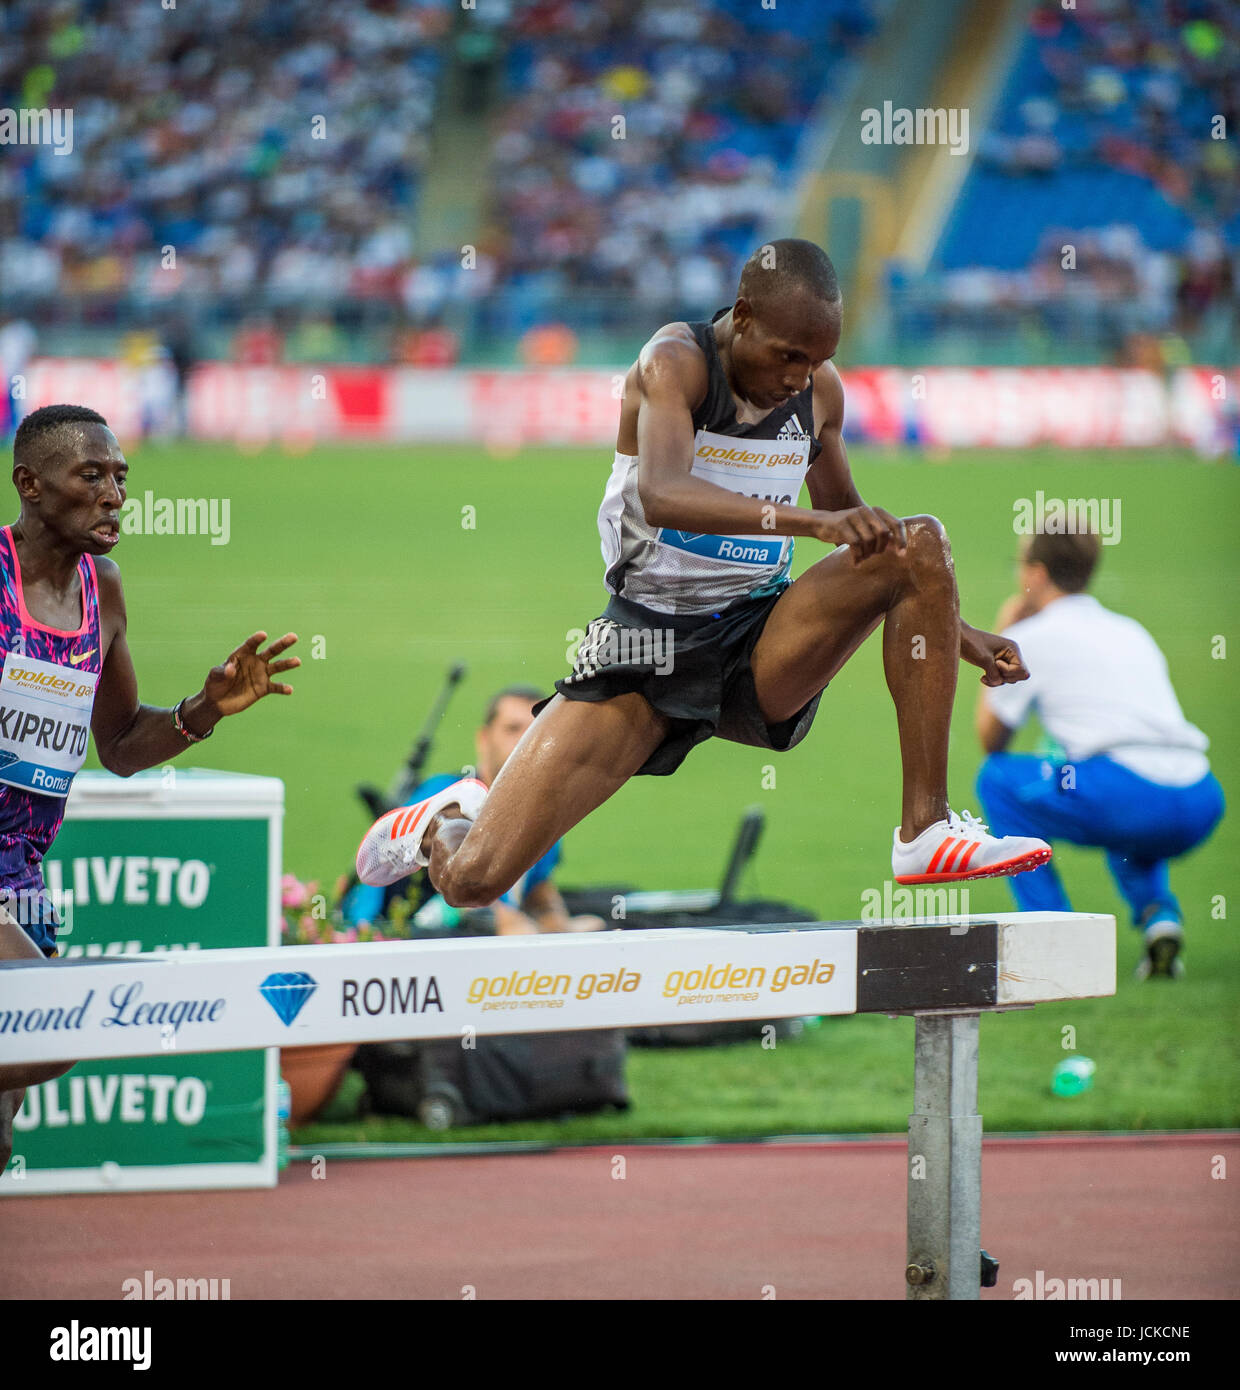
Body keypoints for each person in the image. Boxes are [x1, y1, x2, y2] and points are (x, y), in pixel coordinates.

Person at [357, 239, 1051, 912]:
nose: (800, 377)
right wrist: (809, 526)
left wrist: (958, 631)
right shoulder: (675, 363)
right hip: (643, 647)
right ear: (743, 316)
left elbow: (859, 532)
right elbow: (663, 493)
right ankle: (441, 819)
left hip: (757, 639)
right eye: (789, 355)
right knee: (476, 879)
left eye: (818, 360)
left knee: (917, 540)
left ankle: (923, 831)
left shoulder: (818, 394)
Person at [0, 403, 300, 1168]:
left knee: (2, 1128)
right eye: (90, 475)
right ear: (30, 485)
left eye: (121, 477)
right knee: (54, 1025)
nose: (113, 495)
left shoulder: (104, 589)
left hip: (24, 879)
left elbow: (123, 747)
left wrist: (205, 710)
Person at [975, 530, 1224, 980]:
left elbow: (991, 740)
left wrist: (1003, 634)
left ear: (1036, 574)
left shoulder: (1032, 634)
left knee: (998, 780)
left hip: (1125, 794)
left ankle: (1053, 940)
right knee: (1116, 809)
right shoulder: (1130, 629)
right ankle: (1158, 917)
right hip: (1200, 793)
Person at [346, 685, 604, 935]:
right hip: (400, 934)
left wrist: (556, 922)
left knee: (596, 921)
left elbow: (537, 887)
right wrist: (508, 922)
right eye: (512, 729)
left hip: (483, 950)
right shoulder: (444, 790)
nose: (525, 741)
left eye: (535, 731)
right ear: (483, 740)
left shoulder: (546, 813)